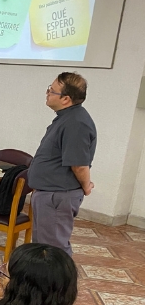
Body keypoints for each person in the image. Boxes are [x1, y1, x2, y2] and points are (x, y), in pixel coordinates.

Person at [28, 72, 96, 256]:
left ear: (66, 99)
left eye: (52, 90)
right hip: (49, 193)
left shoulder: (76, 123)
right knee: (43, 247)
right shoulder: (66, 117)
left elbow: (80, 165)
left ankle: (62, 285)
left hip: (58, 195)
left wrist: (86, 187)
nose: (47, 92)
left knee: (55, 250)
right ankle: (44, 283)